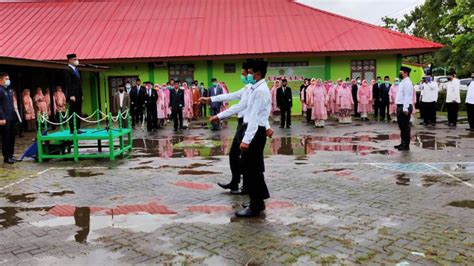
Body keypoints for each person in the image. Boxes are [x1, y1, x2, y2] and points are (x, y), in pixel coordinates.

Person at [202, 62, 274, 195]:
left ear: (253, 74)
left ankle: (253, 196)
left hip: (252, 128)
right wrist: (212, 102)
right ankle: (246, 190)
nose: (243, 76)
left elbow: (257, 113)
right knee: (244, 161)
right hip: (246, 125)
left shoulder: (258, 90)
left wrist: (250, 137)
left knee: (252, 163)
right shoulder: (250, 88)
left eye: (245, 73)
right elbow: (233, 99)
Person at [235, 60, 271, 218]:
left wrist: (246, 140)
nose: (248, 75)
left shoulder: (260, 91)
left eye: (250, 72)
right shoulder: (256, 88)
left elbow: (255, 118)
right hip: (255, 131)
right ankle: (259, 200)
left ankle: (255, 205)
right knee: (252, 168)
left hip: (255, 133)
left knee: (251, 169)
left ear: (257, 74)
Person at [394, 66, 414, 151]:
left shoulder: (408, 83)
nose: (400, 73)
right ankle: (402, 143)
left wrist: (405, 108)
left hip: (404, 106)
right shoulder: (403, 82)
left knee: (405, 127)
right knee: (402, 126)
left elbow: (407, 96)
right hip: (400, 106)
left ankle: (406, 145)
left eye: (401, 72)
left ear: (406, 73)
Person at [64, 53, 84, 134]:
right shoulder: (67, 70)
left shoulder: (76, 70)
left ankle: (78, 128)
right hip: (73, 95)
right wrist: (71, 95)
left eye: (76, 59)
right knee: (73, 111)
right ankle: (73, 129)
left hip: (78, 94)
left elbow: (79, 84)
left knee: (78, 111)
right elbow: (68, 83)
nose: (76, 61)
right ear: (69, 60)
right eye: (74, 59)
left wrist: (81, 94)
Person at [0, 73, 17, 164]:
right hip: (5, 118)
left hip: (11, 116)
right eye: (6, 78)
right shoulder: (0, 90)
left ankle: (11, 154)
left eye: (8, 78)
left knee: (12, 136)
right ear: (1, 79)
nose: (8, 80)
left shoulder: (8, 90)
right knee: (6, 137)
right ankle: (6, 156)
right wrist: (1, 117)